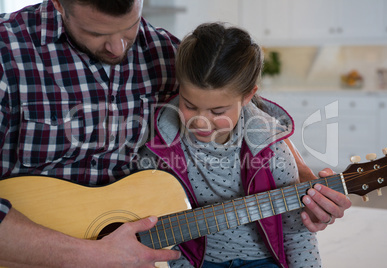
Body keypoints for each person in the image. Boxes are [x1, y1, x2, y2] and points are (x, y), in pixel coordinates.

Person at [0, 0, 350, 267]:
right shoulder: (7, 52)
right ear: (59, 4)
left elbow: (247, 108)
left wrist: (303, 180)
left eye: (129, 28)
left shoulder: (168, 52)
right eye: (96, 34)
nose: (118, 49)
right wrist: (90, 254)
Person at [138, 22, 349, 267]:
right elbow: (160, 229)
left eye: (218, 110)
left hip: (261, 260)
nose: (200, 121)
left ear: (248, 95)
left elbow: (296, 232)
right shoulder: (159, 148)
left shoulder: (274, 153)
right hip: (196, 261)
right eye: (189, 105)